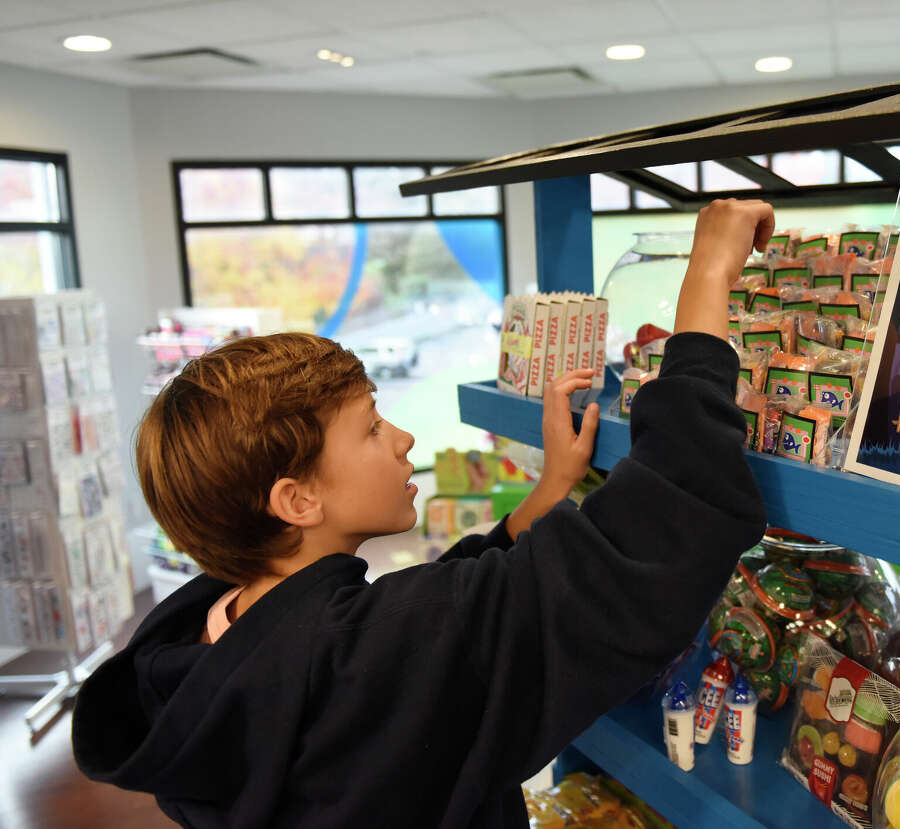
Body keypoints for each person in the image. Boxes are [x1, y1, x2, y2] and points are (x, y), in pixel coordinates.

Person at [72, 199, 775, 828]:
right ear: (298, 500)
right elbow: (660, 530)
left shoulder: (208, 643)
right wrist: (708, 277)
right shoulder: (365, 655)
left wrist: (548, 492)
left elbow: (440, 611)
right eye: (371, 427)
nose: (403, 438)